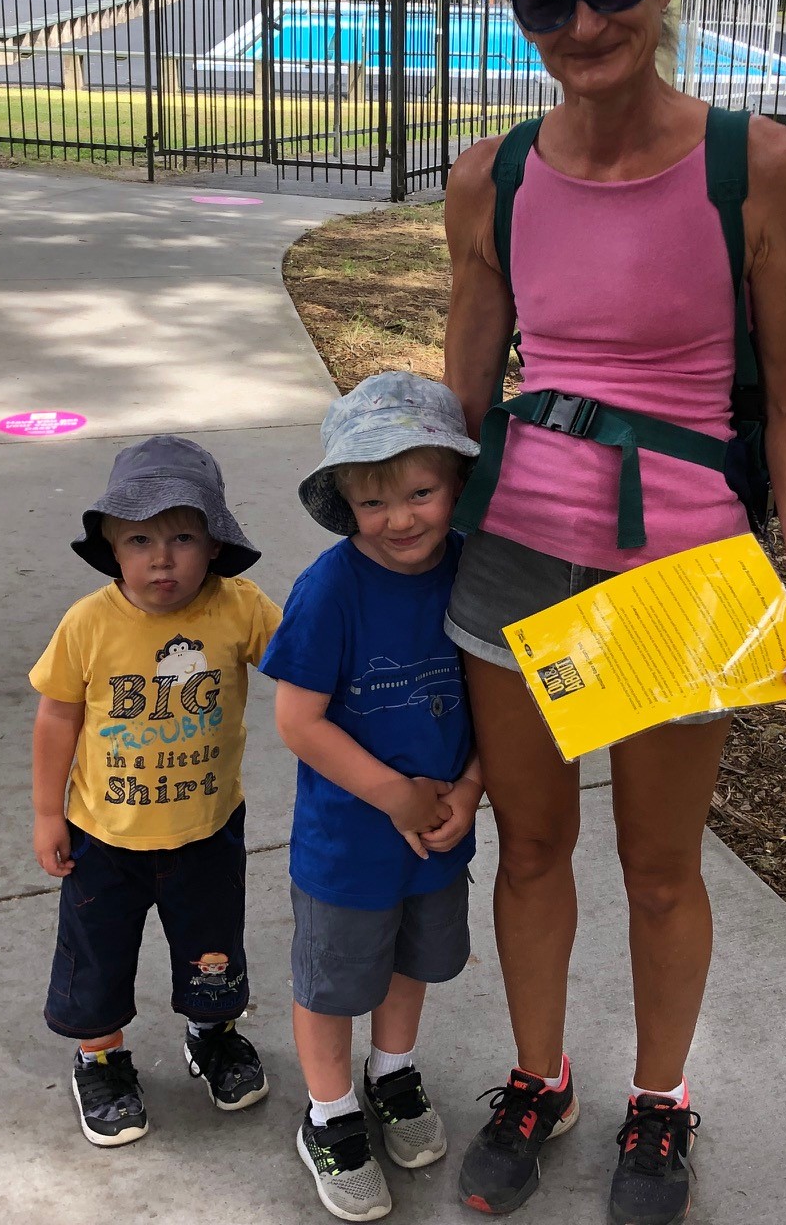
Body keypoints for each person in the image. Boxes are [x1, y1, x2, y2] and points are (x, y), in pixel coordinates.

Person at [440, 0, 786, 1223]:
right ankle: (539, 1075)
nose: (582, 24)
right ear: (517, 12)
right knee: (536, 849)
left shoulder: (758, 165)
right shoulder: (489, 180)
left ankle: (662, 1104)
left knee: (662, 865)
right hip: (514, 566)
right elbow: (459, 408)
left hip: (681, 575)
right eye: (545, 2)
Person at [262, 372, 486, 1222]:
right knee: (332, 981)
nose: (399, 519)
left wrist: (468, 790)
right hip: (347, 844)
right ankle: (329, 1114)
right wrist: (393, 794)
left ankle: (390, 1073)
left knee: (412, 964)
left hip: (437, 833)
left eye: (420, 492)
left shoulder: (473, 572)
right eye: (373, 501)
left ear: (455, 484)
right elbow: (298, 720)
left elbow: (495, 705)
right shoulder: (331, 589)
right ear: (345, 504)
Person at [28, 435, 281, 1148]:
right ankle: (101, 1058)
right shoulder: (89, 623)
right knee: (97, 956)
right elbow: (57, 714)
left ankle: (211, 1036)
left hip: (206, 826)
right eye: (139, 538)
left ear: (215, 543)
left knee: (212, 948)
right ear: (112, 546)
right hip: (102, 838)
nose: (162, 557)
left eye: (182, 536)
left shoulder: (240, 607)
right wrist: (49, 812)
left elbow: (298, 666)